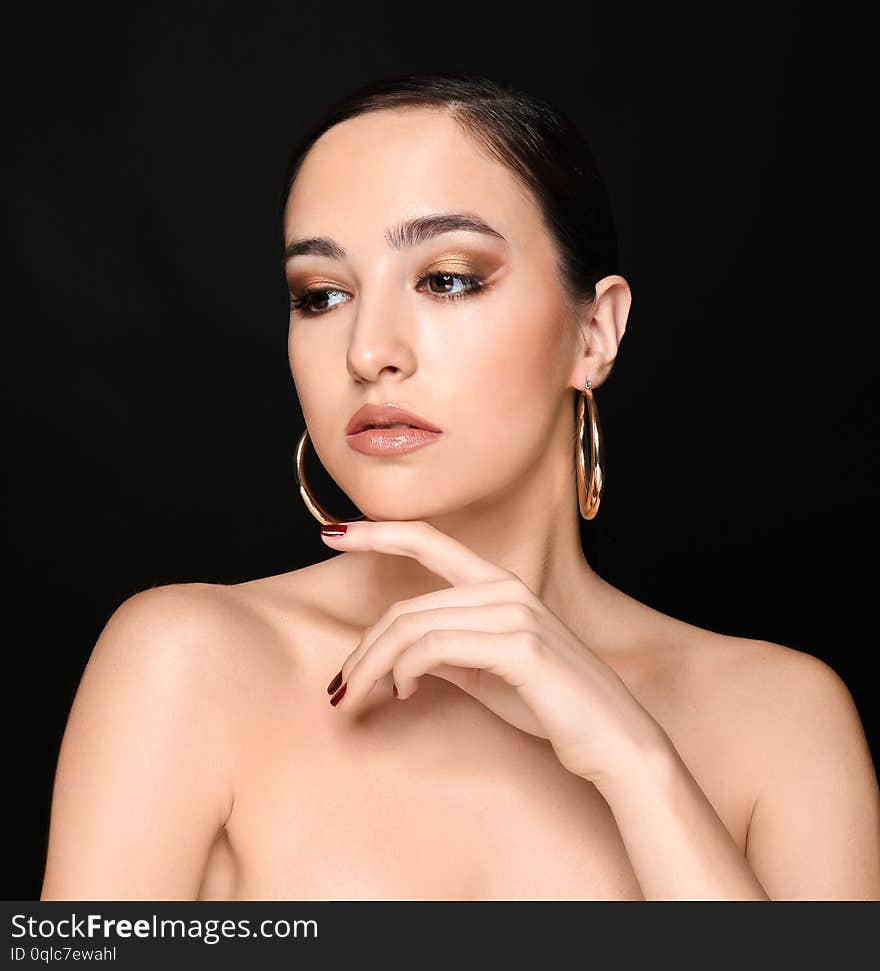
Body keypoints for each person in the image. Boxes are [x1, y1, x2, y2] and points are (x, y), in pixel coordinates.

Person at [40, 71, 880, 901]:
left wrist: (637, 761)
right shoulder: (189, 660)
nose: (368, 351)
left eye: (447, 278)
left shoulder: (784, 718)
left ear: (595, 331)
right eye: (322, 294)